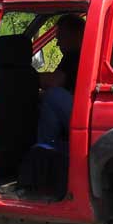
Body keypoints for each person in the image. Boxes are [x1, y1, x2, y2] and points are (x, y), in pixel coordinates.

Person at [35, 14, 85, 153]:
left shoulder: (76, 55)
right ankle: (47, 149)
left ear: (76, 34)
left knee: (53, 95)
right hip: (83, 108)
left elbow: (55, 81)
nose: (57, 43)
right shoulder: (75, 55)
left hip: (83, 112)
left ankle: (43, 150)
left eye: (61, 37)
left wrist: (27, 76)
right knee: (48, 99)